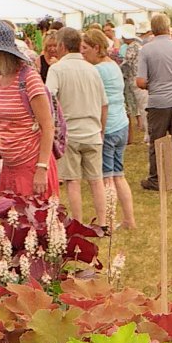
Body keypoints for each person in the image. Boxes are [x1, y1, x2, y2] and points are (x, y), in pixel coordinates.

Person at [0, 19, 58, 201]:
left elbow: (48, 127)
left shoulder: (29, 79)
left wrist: (41, 168)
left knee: (34, 222)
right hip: (9, 167)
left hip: (32, 165)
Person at [48, 26, 108, 229]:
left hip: (70, 134)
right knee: (96, 180)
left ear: (62, 46)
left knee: (73, 181)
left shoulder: (57, 69)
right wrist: (102, 129)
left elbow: (48, 97)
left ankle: (77, 224)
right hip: (93, 131)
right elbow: (104, 103)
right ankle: (103, 222)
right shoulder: (92, 69)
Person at [81, 25, 135, 232]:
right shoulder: (113, 65)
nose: (83, 52)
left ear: (96, 47)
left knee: (106, 177)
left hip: (108, 127)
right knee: (119, 175)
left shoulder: (97, 70)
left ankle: (109, 221)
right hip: (121, 124)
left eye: (86, 48)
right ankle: (129, 219)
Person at [137, 12, 172, 195]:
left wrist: (153, 84)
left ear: (152, 29)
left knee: (157, 141)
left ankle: (156, 178)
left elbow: (140, 82)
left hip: (158, 102)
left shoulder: (146, 50)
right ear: (169, 28)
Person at [118, 20, 144, 143]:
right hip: (138, 78)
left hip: (132, 80)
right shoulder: (139, 45)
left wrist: (117, 69)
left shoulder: (131, 48)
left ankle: (134, 134)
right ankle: (142, 127)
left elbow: (126, 64)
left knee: (132, 106)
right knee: (140, 105)